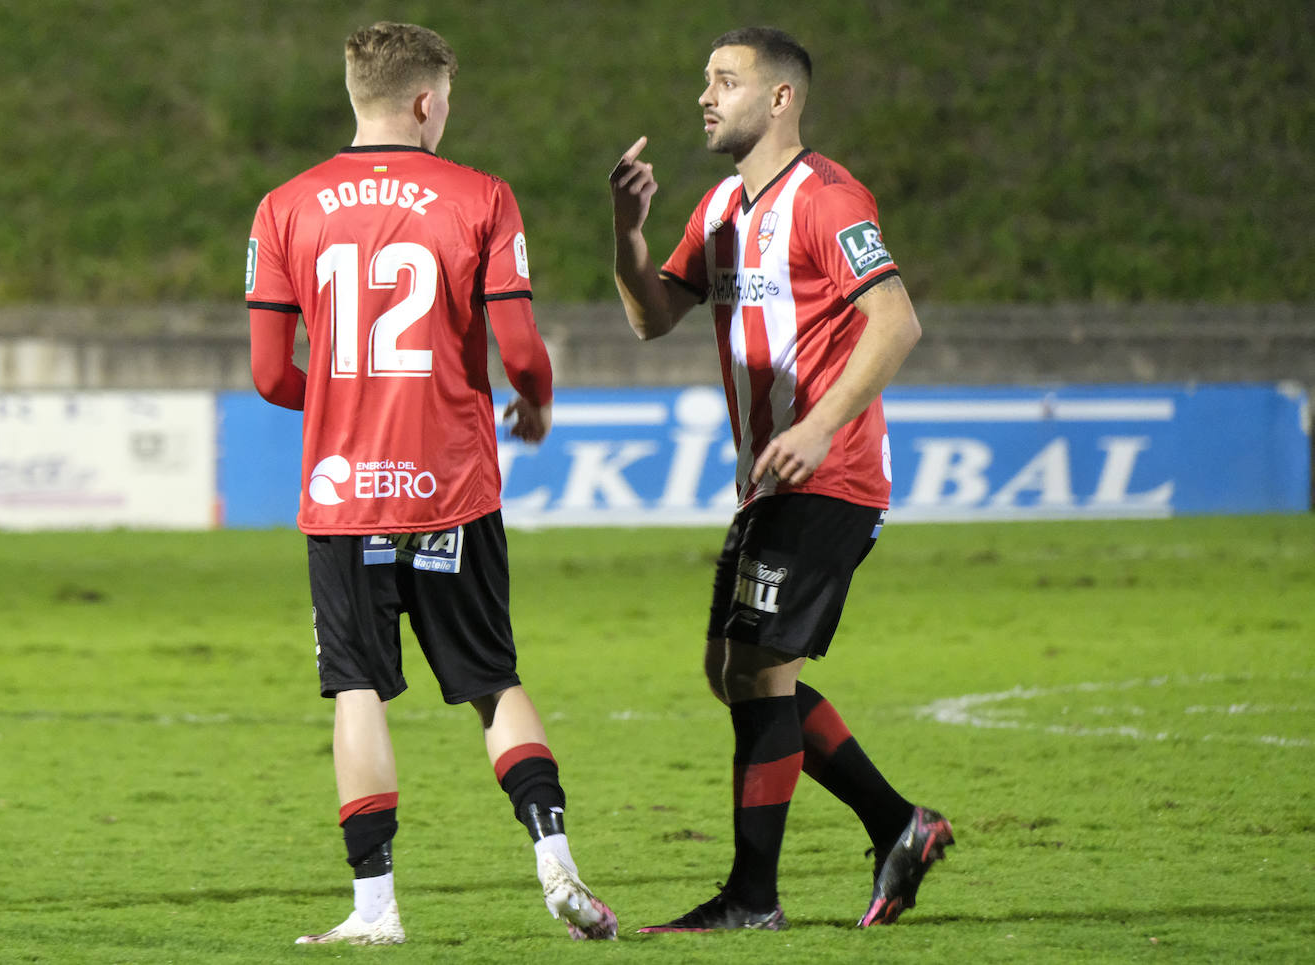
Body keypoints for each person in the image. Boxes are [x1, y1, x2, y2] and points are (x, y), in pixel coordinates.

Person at [245, 21, 616, 946]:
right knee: (492, 679)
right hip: (453, 485)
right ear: (423, 101)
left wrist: (338, 404)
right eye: (446, 98)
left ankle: (375, 910)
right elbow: (522, 351)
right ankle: (555, 859)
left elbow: (267, 373)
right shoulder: (482, 197)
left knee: (359, 689)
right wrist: (534, 400)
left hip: (344, 492)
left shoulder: (285, 205)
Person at [610, 26, 953, 932]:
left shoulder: (829, 200)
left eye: (724, 80)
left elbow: (897, 321)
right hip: (773, 480)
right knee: (735, 670)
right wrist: (628, 233)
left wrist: (816, 424)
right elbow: (652, 316)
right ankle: (898, 823)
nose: (704, 96)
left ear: (780, 99)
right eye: (704, 79)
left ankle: (752, 898)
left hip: (829, 472)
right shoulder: (721, 207)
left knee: (759, 670)